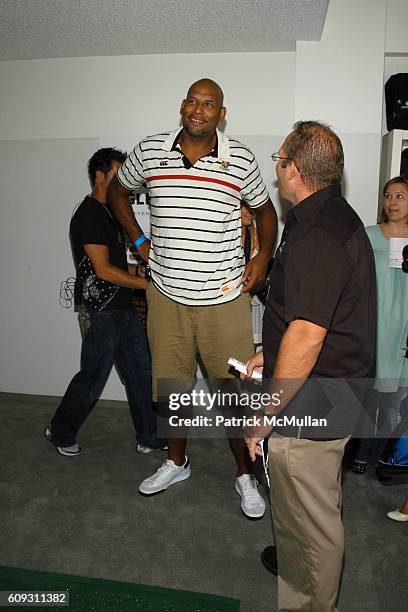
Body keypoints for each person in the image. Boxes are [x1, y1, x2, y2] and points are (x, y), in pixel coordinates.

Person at [107, 78, 277, 518]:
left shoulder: (239, 157)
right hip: (166, 296)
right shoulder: (149, 150)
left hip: (223, 300)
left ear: (222, 113)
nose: (198, 110)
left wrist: (261, 258)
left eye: (209, 104)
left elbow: (265, 209)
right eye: (192, 101)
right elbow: (117, 192)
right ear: (182, 106)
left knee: (233, 393)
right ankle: (176, 461)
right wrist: (138, 239)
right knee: (172, 387)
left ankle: (246, 475)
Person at [244, 121, 376, 611]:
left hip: (313, 402)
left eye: (279, 159)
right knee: (307, 511)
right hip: (324, 391)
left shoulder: (319, 232)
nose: (276, 167)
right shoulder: (327, 217)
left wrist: (265, 416)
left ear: (294, 170)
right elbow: (309, 313)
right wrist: (269, 354)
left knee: (314, 523)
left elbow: (308, 333)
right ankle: (299, 577)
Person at [45, 148, 164, 456]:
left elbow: (119, 266)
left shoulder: (111, 213)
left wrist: (149, 272)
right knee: (93, 376)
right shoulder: (89, 214)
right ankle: (59, 431)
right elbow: (102, 270)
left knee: (141, 372)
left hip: (123, 309)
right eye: (117, 174)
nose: (124, 181)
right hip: (100, 312)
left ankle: (149, 436)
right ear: (100, 176)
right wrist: (146, 285)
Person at [351, 176, 408, 473]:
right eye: (388, 195)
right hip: (373, 327)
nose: (392, 202)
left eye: (400, 195)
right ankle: (360, 452)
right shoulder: (368, 235)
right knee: (365, 396)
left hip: (404, 329)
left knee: (394, 403)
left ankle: (384, 456)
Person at [241, 202, 265, 347]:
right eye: (245, 206)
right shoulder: (224, 239)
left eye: (253, 208)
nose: (251, 211)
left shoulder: (258, 235)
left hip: (254, 307)